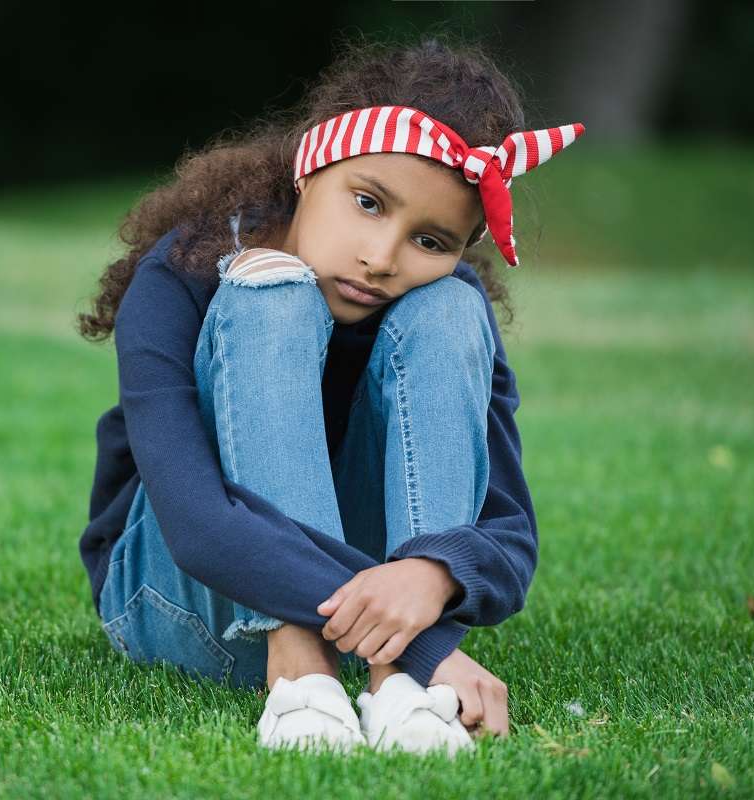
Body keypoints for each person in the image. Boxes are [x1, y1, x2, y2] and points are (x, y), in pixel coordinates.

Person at [75, 34, 585, 755]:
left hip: (375, 622)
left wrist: (432, 571)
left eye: (432, 242)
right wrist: (427, 640)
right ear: (312, 168)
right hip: (181, 602)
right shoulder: (179, 274)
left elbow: (507, 536)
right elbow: (197, 527)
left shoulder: (443, 302)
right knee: (269, 288)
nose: (382, 258)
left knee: (451, 308)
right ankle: (304, 669)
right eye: (369, 203)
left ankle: (395, 693)